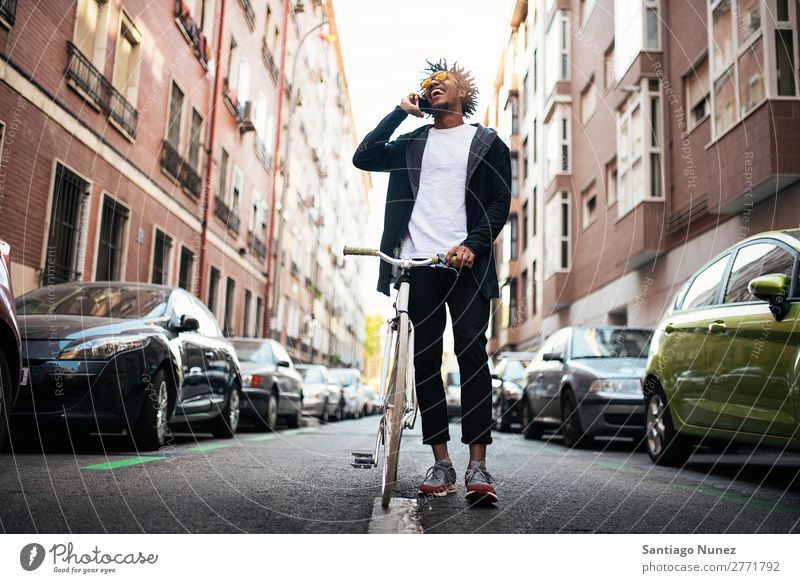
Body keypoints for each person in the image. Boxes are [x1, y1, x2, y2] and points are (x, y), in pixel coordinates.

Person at [352, 59, 511, 504]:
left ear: (464, 94)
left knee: (472, 355)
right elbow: (363, 156)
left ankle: (477, 464)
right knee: (425, 361)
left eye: (444, 80)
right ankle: (442, 461)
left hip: (465, 264)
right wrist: (400, 111)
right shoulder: (411, 142)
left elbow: (500, 202)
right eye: (428, 83)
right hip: (416, 263)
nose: (434, 84)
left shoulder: (487, 142)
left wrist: (473, 245)